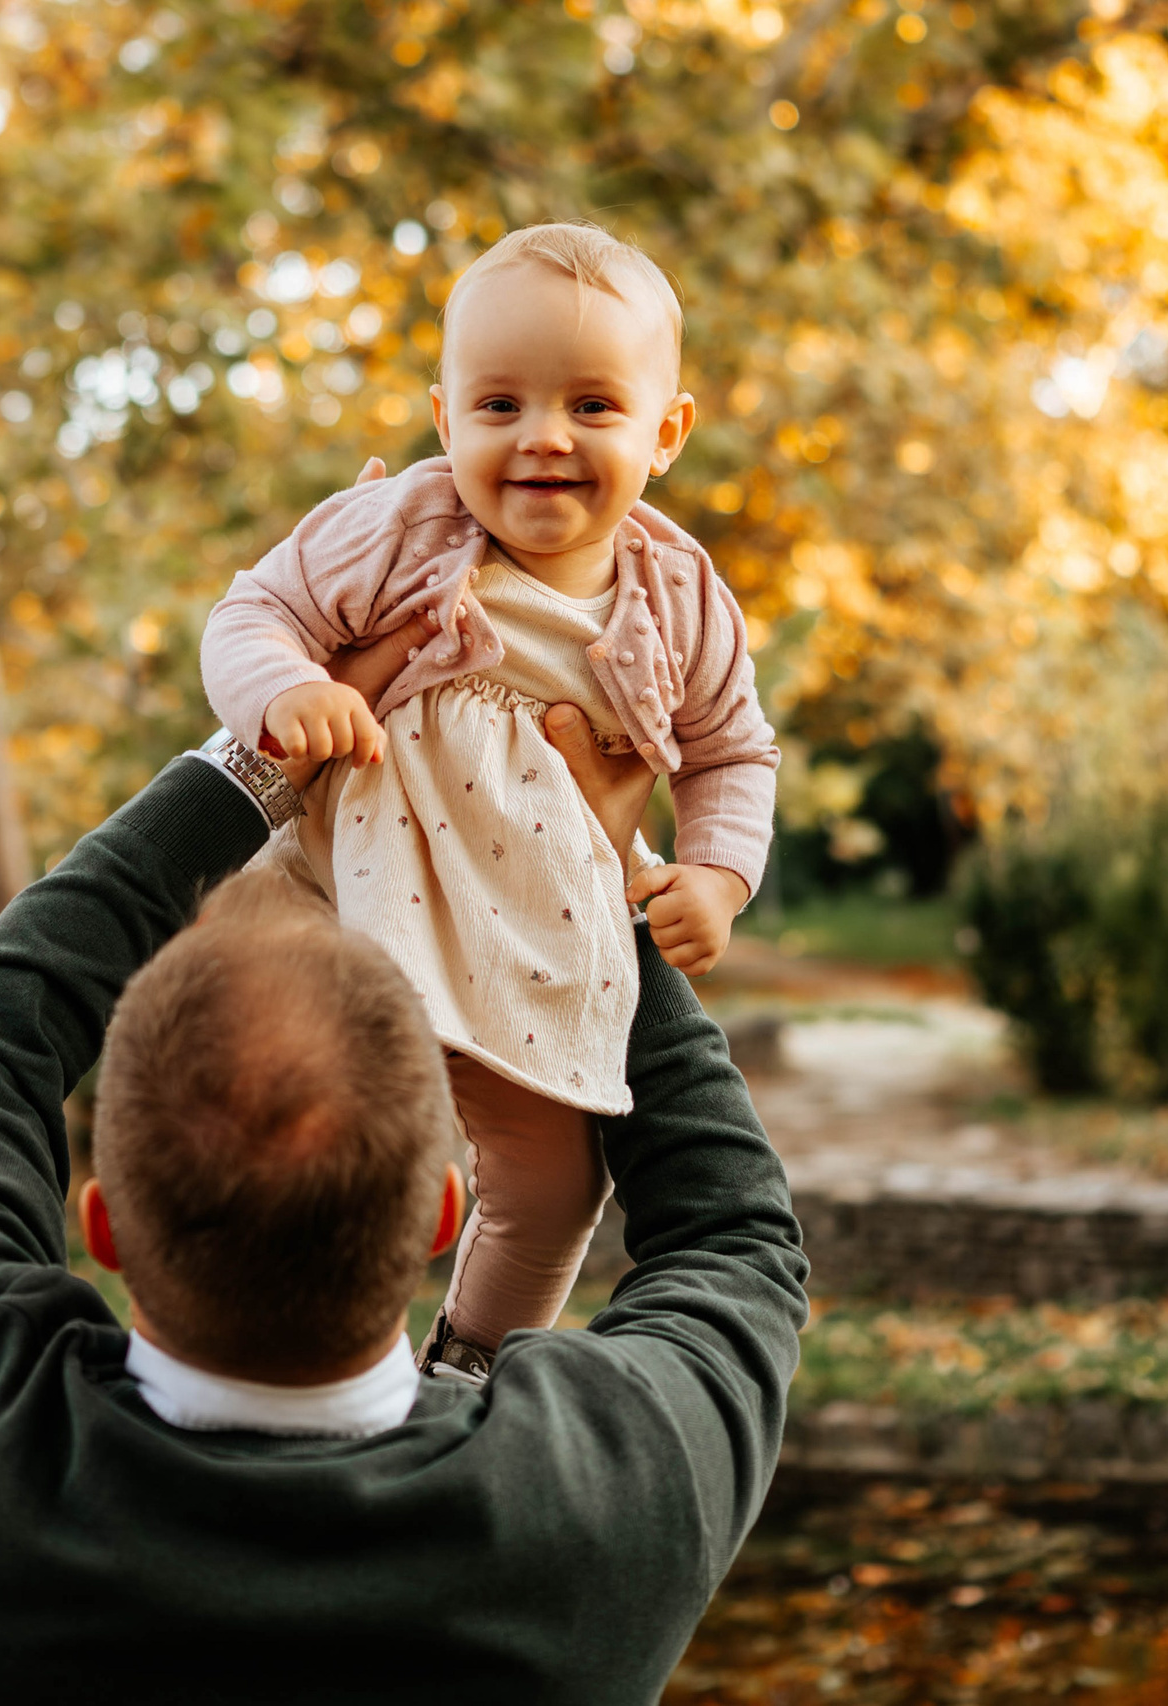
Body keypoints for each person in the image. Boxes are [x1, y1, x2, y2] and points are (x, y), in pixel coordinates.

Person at [0, 627, 809, 1703]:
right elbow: (736, 1237)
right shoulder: (610, 1496)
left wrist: (260, 759)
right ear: (442, 1212)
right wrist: (588, 865)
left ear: (101, 1225)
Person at [199, 221, 782, 1379]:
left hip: (529, 940)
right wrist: (290, 691)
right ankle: (261, 1359)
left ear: (665, 433)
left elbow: (732, 754)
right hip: (337, 900)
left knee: (559, 1184)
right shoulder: (401, 528)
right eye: (500, 405)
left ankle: (466, 1363)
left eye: (593, 407)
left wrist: (713, 874)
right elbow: (252, 608)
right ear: (445, 419)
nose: (543, 439)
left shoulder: (680, 599)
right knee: (287, 1136)